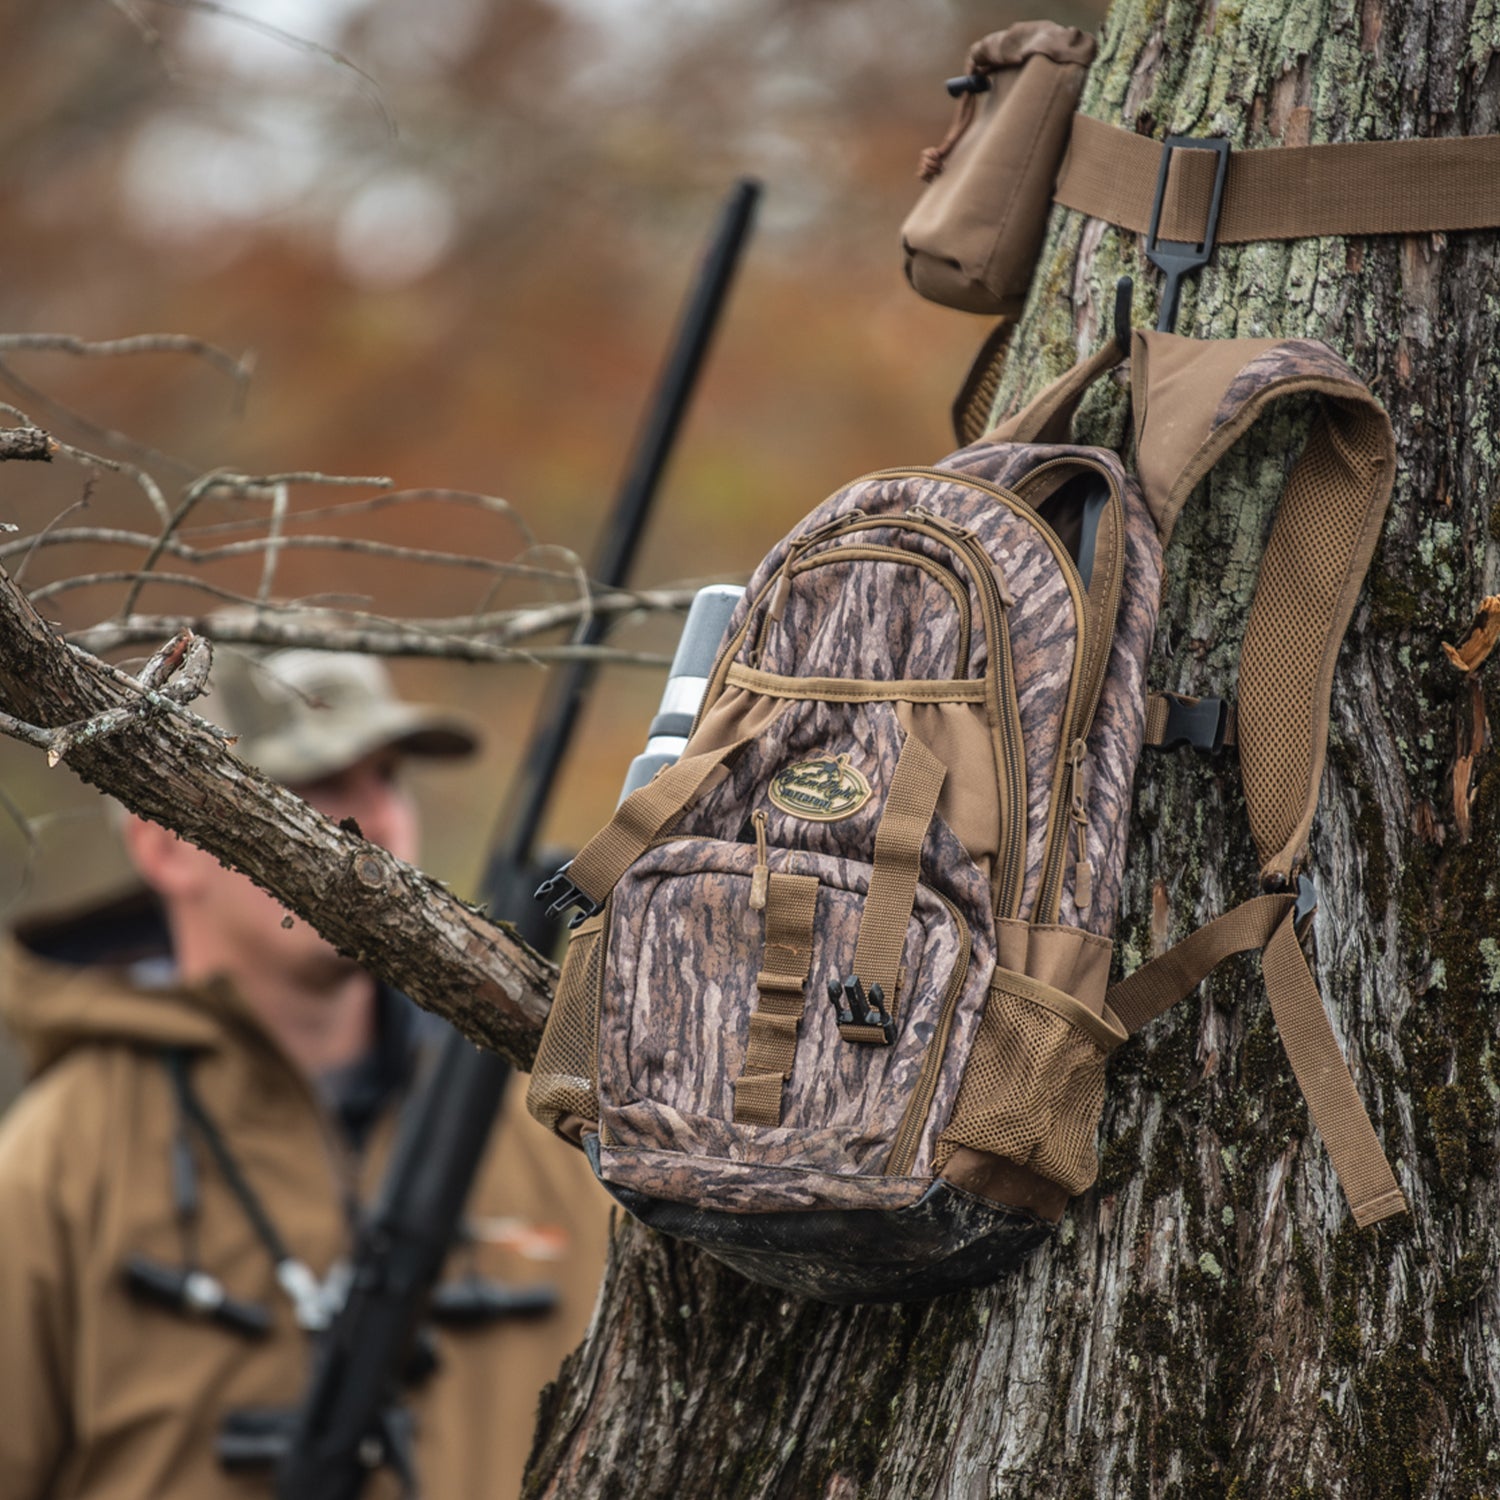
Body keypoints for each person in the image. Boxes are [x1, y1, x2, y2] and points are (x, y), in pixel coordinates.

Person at [0, 645, 611, 1500]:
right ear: (166, 845)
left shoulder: (551, 1125)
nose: (383, 825)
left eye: (388, 778)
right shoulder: (53, 1167)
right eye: (316, 789)